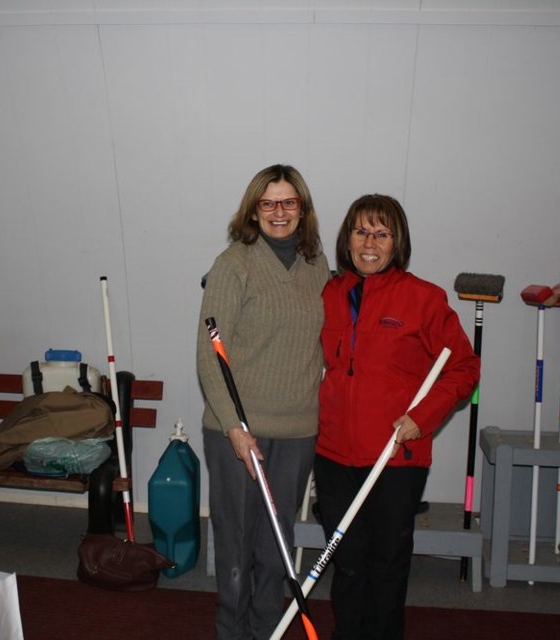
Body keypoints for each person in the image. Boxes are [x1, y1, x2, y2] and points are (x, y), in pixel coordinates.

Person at [314, 194, 480, 640]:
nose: (370, 243)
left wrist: (420, 418)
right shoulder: (329, 294)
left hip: (396, 458)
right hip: (333, 457)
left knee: (386, 565)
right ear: (347, 237)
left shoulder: (424, 299)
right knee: (347, 564)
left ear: (397, 241)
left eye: (381, 234)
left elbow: (464, 369)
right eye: (361, 231)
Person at [197, 164, 329, 639]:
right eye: (268, 203)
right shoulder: (234, 264)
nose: (279, 212)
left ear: (303, 209)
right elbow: (210, 356)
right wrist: (234, 427)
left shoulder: (318, 266)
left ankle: (266, 633)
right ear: (254, 209)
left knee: (277, 547)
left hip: (297, 431)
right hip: (237, 432)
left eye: (289, 202)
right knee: (236, 546)